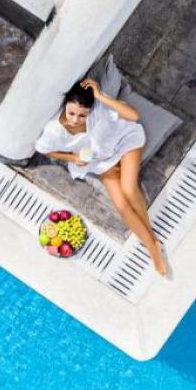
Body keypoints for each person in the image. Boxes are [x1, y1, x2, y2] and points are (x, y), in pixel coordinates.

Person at [34, 78, 168, 275]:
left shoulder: (98, 109)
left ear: (89, 110)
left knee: (129, 190)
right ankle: (152, 243)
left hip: (125, 143)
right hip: (101, 162)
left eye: (82, 115)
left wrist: (99, 96)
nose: (75, 119)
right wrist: (72, 157)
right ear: (65, 105)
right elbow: (43, 149)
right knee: (121, 206)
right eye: (71, 113)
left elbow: (133, 116)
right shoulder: (54, 130)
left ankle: (153, 248)